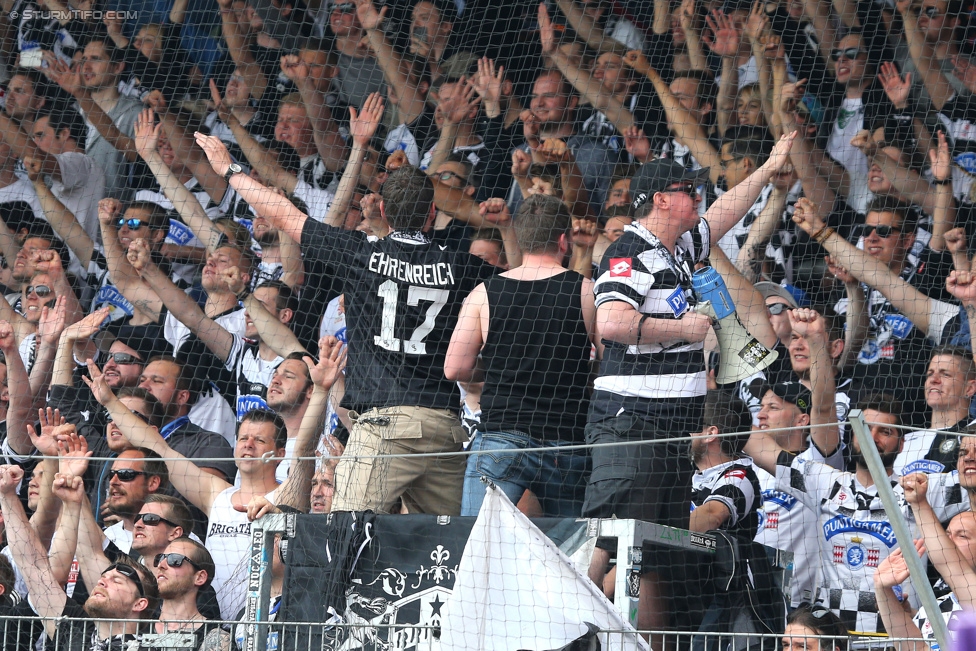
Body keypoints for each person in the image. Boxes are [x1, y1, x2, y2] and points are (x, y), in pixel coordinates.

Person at [196, 131, 495, 516]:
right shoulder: (463, 266)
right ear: (433, 214)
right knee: (449, 544)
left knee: (343, 531)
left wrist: (230, 170)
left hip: (382, 428)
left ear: (383, 212)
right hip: (444, 428)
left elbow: (287, 215)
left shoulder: (359, 253)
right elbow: (520, 281)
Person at [583, 130, 794, 636]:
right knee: (616, 541)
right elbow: (611, 323)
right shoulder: (628, 251)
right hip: (633, 425)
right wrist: (685, 329)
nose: (698, 200)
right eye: (689, 191)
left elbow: (723, 215)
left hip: (671, 430)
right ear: (661, 199)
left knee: (654, 552)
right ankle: (562, 631)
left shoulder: (676, 248)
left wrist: (767, 170)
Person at [445, 193, 597, 517]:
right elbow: (610, 360)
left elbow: (454, 368)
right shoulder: (585, 290)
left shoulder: (484, 292)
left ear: (523, 237)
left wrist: (497, 372)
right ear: (563, 240)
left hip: (501, 435)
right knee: (570, 552)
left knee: (478, 545)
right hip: (565, 440)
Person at [0, 463, 160, 649]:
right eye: (103, 577)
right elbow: (34, 567)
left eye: (117, 580)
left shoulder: (148, 647)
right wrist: (7, 495)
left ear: (139, 604)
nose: (102, 581)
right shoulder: (76, 631)